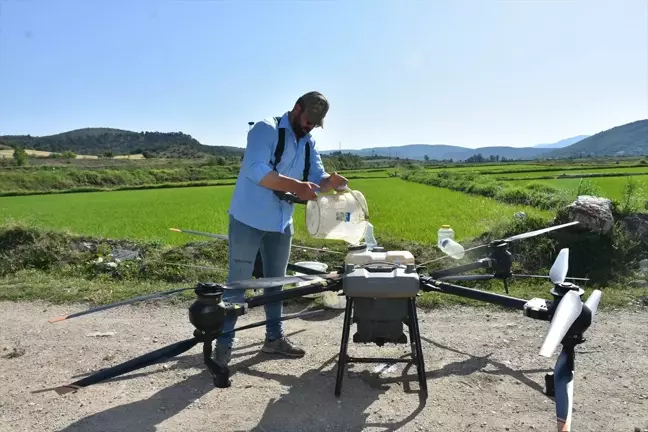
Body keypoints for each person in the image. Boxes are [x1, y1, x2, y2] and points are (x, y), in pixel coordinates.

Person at [214, 91, 348, 367]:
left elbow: (315, 177)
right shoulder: (266, 129)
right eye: (308, 119)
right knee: (237, 284)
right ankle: (223, 345)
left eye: (315, 123)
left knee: (277, 283)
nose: (310, 126)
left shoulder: (309, 142)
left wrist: (329, 181)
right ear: (296, 109)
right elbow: (256, 169)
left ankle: (274, 339)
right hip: (248, 218)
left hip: (280, 221)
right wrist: (296, 187)